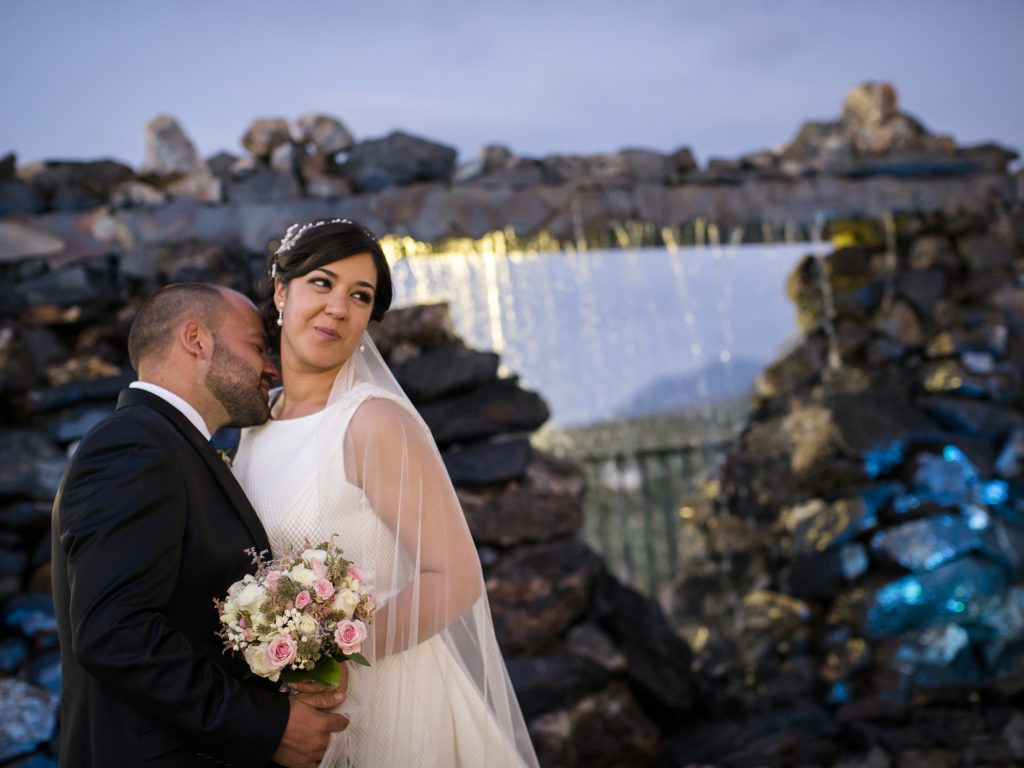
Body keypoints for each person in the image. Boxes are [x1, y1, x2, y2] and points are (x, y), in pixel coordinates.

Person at [231, 219, 540, 767]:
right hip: (292, 714)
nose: (338, 308)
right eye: (321, 284)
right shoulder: (256, 425)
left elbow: (456, 577)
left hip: (394, 704)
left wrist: (344, 655)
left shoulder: (373, 422)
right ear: (281, 289)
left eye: (360, 296)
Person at [51, 283, 350, 768]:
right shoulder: (134, 446)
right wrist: (268, 726)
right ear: (196, 339)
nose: (271, 368)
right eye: (257, 346)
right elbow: (117, 633)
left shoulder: (170, 446)